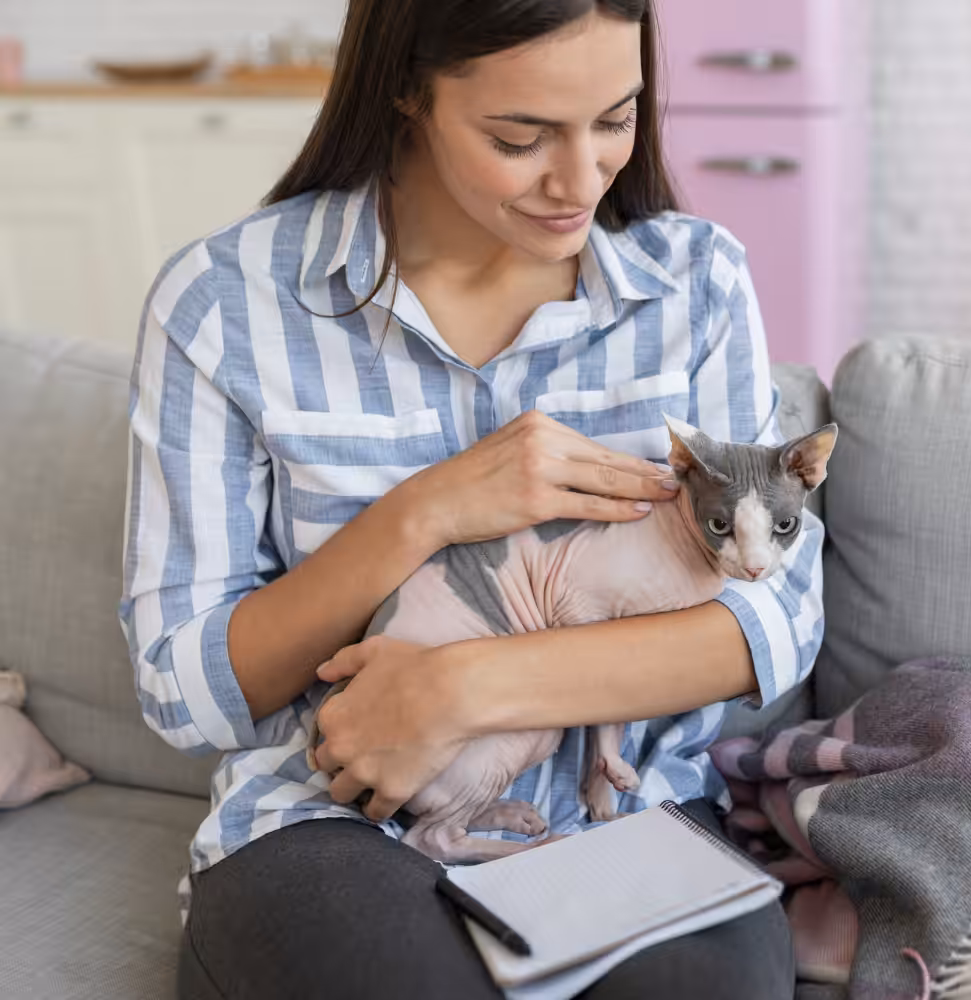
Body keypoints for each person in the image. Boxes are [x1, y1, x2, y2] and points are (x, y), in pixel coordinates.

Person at [120, 2, 823, 996]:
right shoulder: (225, 303)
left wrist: (462, 687)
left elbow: (775, 618)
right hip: (339, 822)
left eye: (615, 119)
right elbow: (183, 691)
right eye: (520, 135)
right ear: (407, 87)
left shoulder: (695, 285)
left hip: (633, 817)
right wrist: (427, 512)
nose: (579, 180)